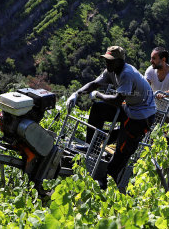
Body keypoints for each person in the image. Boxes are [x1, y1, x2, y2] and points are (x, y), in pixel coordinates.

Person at [66, 46, 156, 189]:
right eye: (106, 60)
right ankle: (91, 146)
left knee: (122, 150)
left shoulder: (126, 74)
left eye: (111, 61)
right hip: (128, 108)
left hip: (141, 116)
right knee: (98, 109)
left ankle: (107, 185)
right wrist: (76, 93)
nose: (107, 64)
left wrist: (98, 95)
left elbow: (116, 100)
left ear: (120, 61)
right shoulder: (111, 70)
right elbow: (94, 84)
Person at [145, 47, 169, 144]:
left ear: (163, 60)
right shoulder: (150, 70)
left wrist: (163, 94)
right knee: (150, 137)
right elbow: (145, 85)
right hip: (155, 110)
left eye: (154, 58)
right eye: (151, 58)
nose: (151, 61)